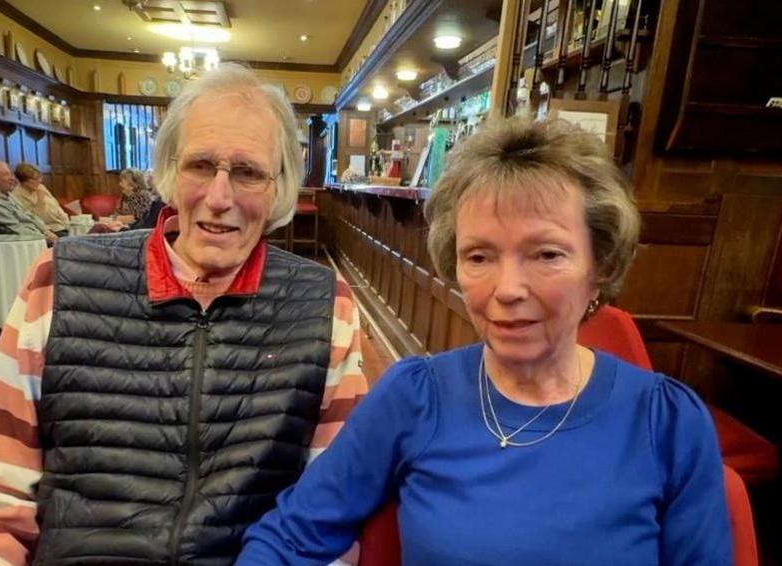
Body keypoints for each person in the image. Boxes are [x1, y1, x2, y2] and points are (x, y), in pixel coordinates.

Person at [238, 118, 732, 565]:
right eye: (479, 257)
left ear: (600, 265)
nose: (507, 289)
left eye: (546, 254)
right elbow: (288, 537)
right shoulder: (416, 396)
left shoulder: (668, 423)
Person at [0, 63, 368, 565]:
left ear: (280, 188)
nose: (219, 198)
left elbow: (329, 513)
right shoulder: (57, 280)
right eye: (200, 166)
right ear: (168, 172)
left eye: (248, 172)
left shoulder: (324, 301)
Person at [0, 161, 58, 243]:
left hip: (37, 236)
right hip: (23, 243)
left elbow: (28, 215)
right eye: (6, 174)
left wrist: (46, 230)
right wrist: (44, 237)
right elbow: (15, 229)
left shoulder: (6, 194)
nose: (12, 178)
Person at [11, 162, 71, 236]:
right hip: (47, 231)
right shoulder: (17, 196)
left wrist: (68, 225)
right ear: (24, 181)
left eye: (40, 177)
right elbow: (38, 219)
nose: (40, 181)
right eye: (35, 179)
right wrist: (40, 200)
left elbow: (57, 207)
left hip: (61, 226)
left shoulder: (41, 187)